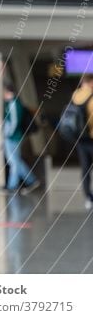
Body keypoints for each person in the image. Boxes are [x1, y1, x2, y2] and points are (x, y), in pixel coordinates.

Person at [2, 82, 40, 194]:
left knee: (14, 162)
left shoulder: (14, 104)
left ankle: (12, 186)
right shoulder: (10, 103)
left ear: (8, 91)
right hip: (12, 137)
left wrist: (8, 134)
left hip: (14, 137)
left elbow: (14, 122)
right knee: (15, 161)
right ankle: (32, 181)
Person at [70, 74, 93, 210]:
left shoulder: (75, 95)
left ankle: (88, 198)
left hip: (80, 138)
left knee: (85, 169)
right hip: (91, 137)